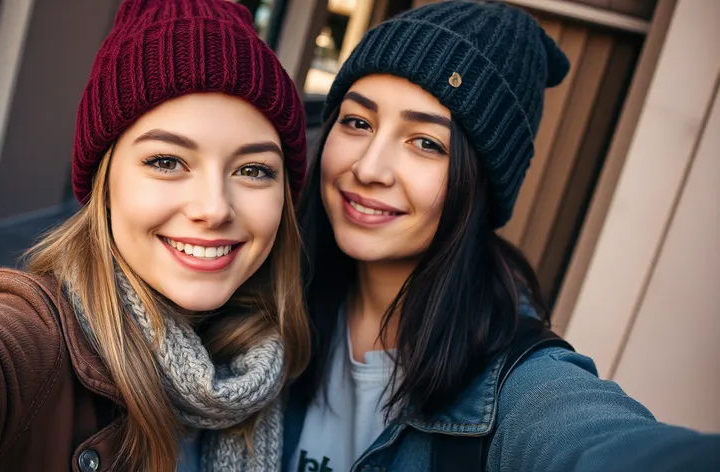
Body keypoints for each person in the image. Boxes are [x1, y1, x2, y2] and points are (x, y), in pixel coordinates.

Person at [285, 2, 720, 471]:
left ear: (481, 183)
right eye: (358, 122)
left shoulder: (523, 388)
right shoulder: (267, 303)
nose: (368, 168)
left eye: (426, 142)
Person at [0, 0, 311, 471]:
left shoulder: (279, 360)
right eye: (166, 161)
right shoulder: (32, 341)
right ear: (105, 185)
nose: (213, 208)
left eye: (253, 169)